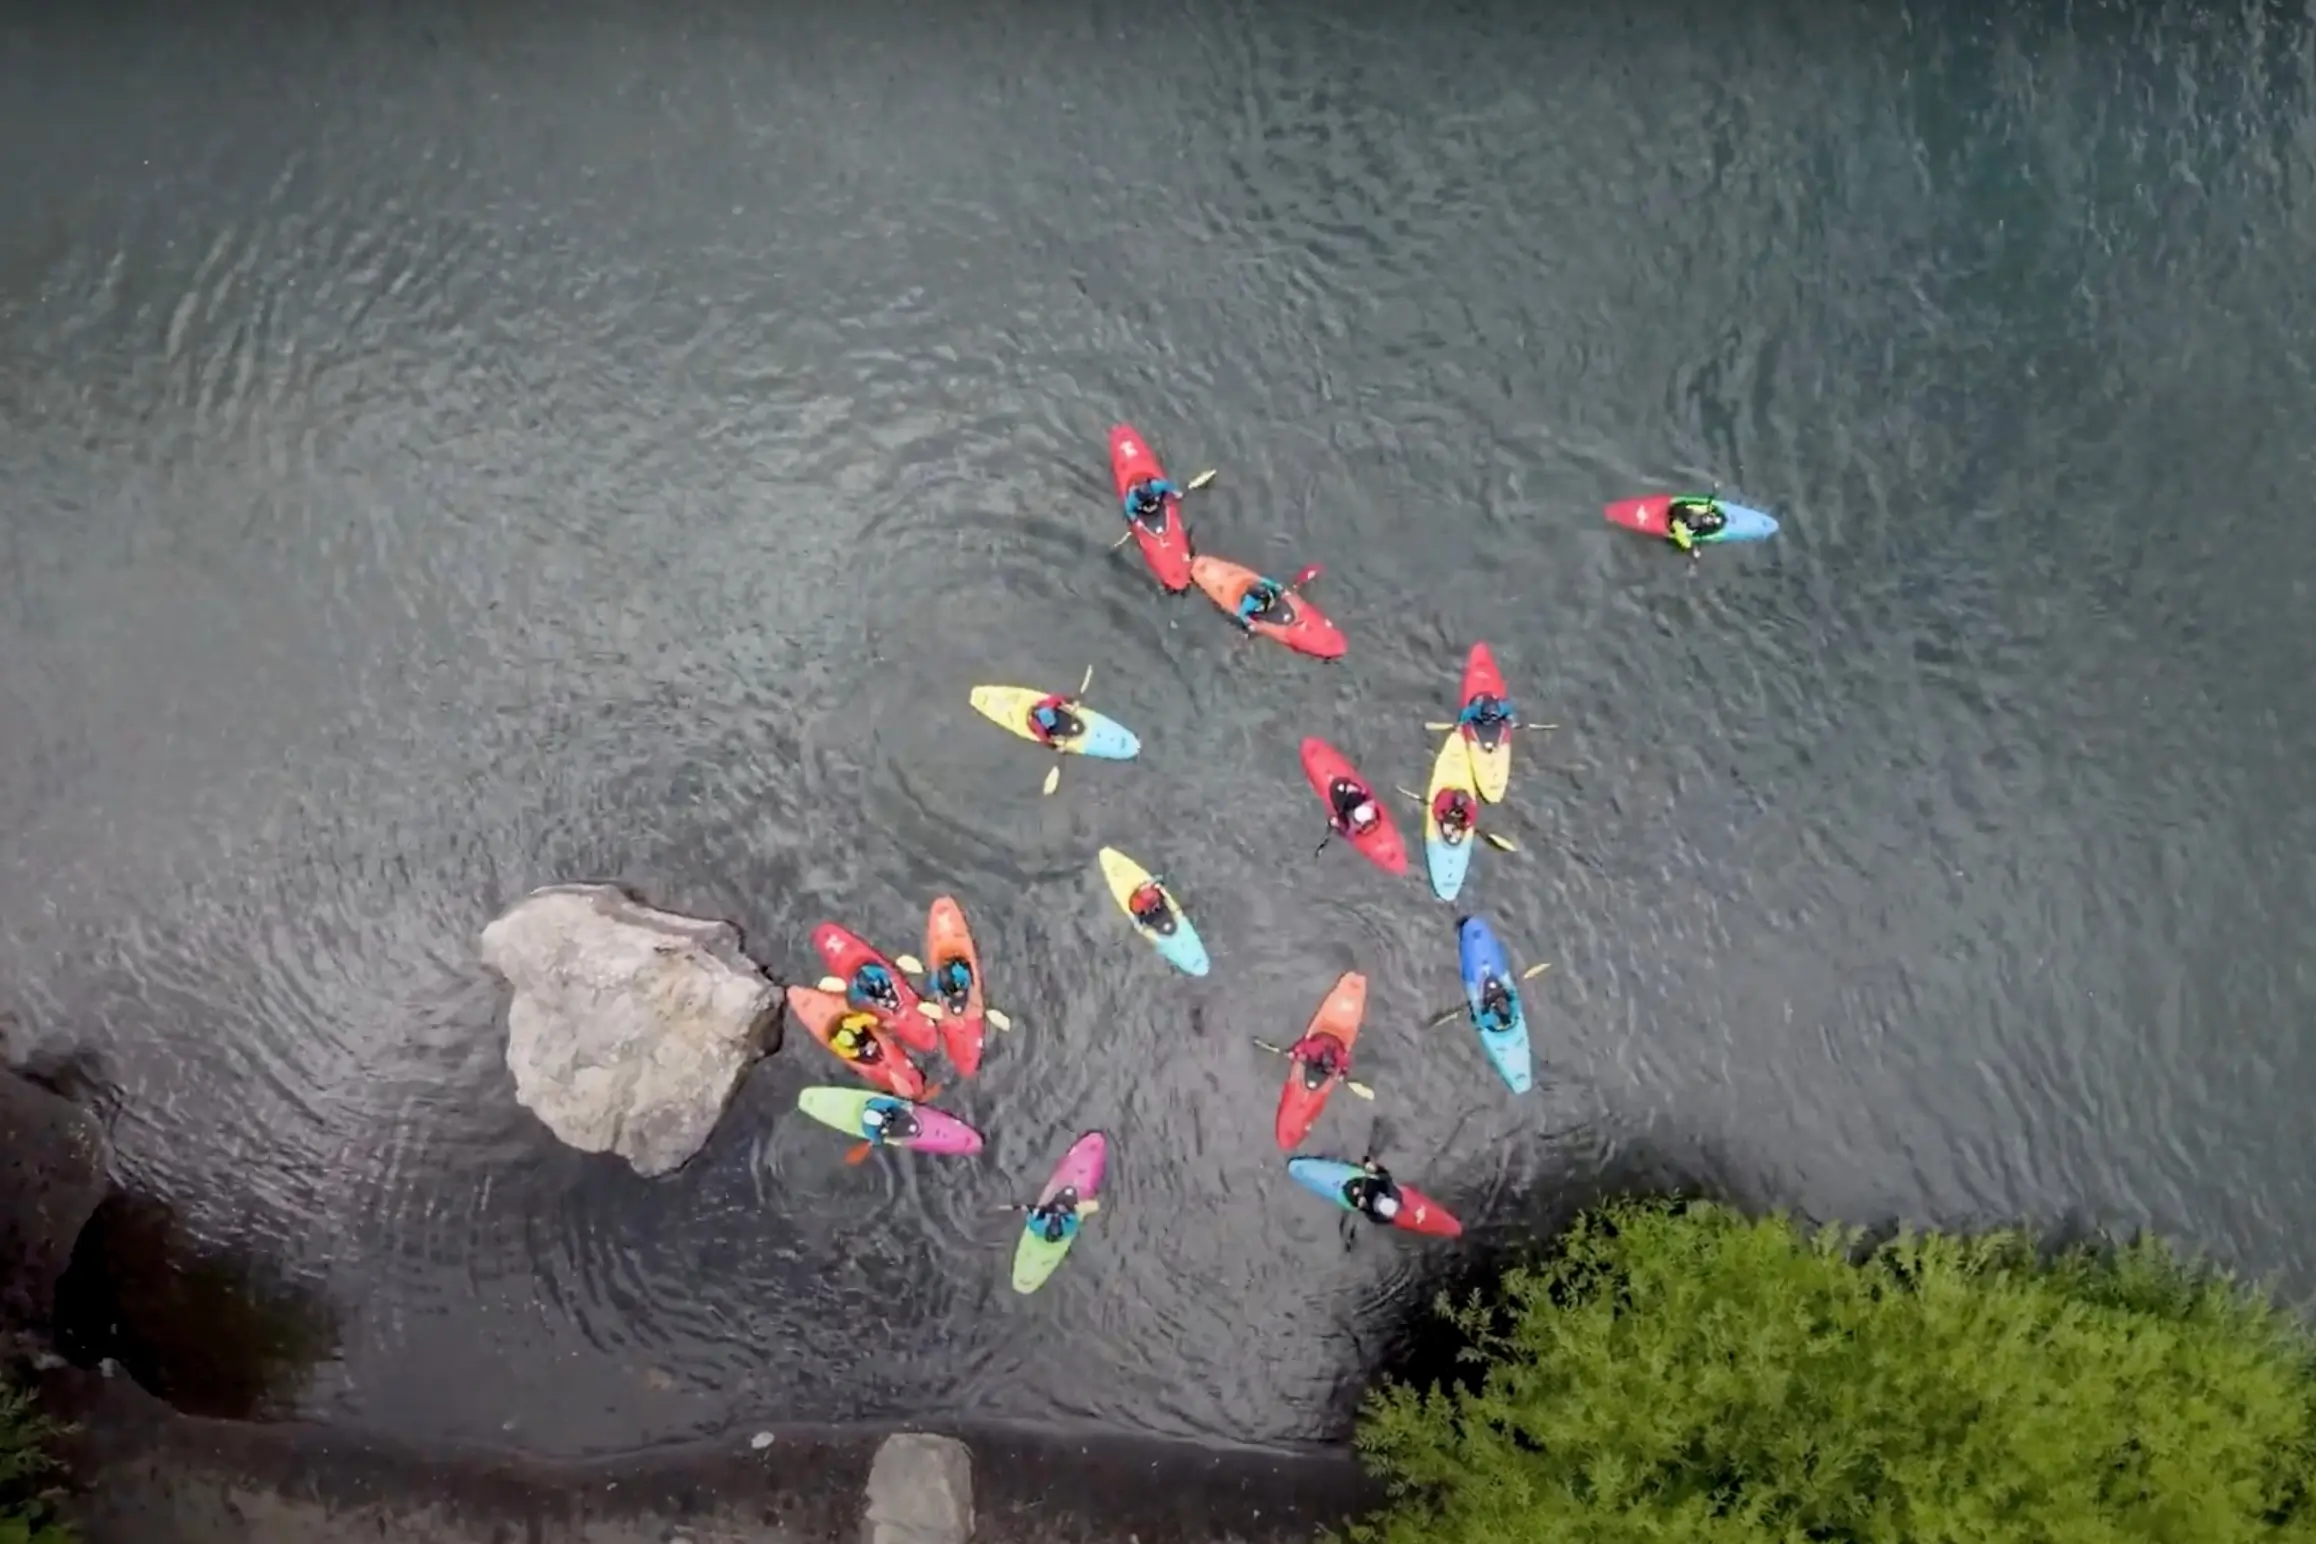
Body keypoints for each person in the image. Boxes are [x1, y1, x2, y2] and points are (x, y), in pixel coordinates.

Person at [1341, 1157, 1403, 1225]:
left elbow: (1386, 1177)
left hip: (1380, 1189)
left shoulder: (1381, 1183)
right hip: (1377, 1201)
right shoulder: (1373, 1211)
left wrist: (1375, 1167)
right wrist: (1366, 1208)